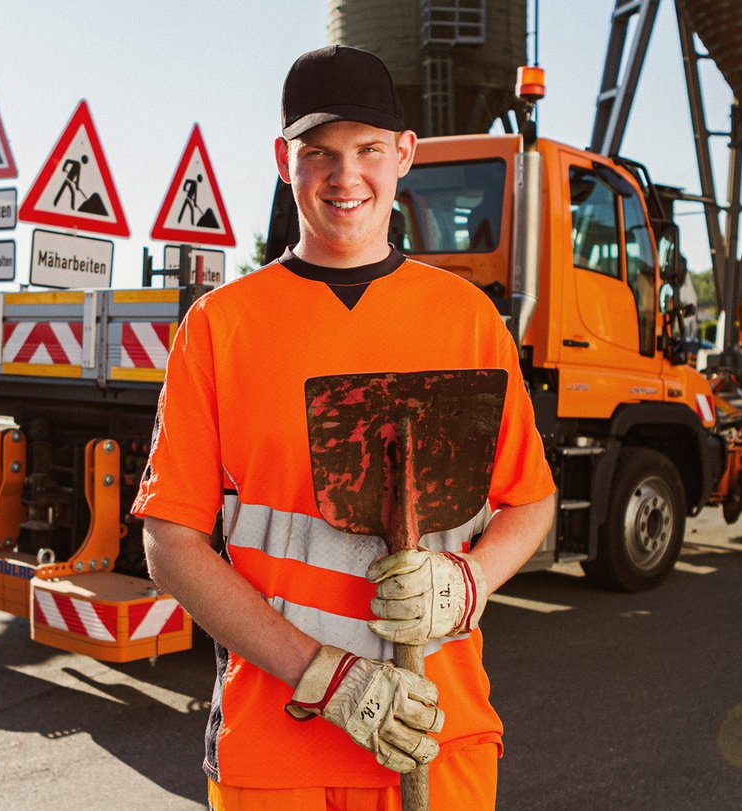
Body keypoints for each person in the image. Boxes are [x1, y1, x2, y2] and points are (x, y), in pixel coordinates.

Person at [133, 44, 555, 810]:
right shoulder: (220, 327)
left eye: (367, 150)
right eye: (318, 153)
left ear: (405, 155)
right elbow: (170, 543)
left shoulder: (467, 320)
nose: (344, 175)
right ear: (283, 161)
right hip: (275, 752)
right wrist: (325, 675)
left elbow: (531, 501)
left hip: (439, 738)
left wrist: (467, 583)